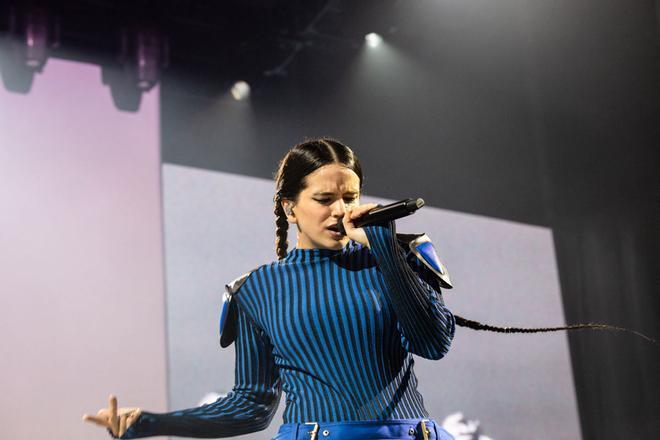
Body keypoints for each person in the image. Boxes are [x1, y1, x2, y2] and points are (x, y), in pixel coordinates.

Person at [83, 138, 457, 440]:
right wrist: (150, 423)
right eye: (324, 200)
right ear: (290, 208)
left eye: (350, 198)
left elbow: (432, 344)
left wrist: (387, 251)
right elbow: (251, 406)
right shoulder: (255, 289)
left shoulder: (399, 258)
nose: (340, 211)